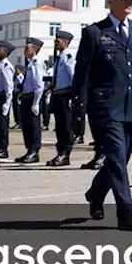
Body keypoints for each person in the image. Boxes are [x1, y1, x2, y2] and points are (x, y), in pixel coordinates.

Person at [71, 0, 132, 231]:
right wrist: (79, 108)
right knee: (117, 157)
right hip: (106, 108)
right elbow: (82, 75)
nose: (130, 2)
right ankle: (126, 211)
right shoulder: (95, 32)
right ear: (110, 0)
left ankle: (96, 194)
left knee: (120, 160)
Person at [47, 30, 76, 167]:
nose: (55, 43)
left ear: (65, 42)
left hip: (65, 95)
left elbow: (73, 77)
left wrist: (73, 96)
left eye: (58, 41)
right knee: (59, 126)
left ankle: (65, 153)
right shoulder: (59, 58)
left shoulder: (68, 57)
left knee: (65, 126)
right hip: (57, 94)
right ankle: (60, 153)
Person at [15, 37, 47, 164]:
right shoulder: (30, 63)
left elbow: (39, 85)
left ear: (34, 49)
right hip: (26, 97)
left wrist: (36, 102)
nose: (25, 49)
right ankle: (29, 150)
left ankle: (34, 151)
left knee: (33, 126)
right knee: (26, 126)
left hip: (33, 97)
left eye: (27, 47)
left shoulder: (37, 63)